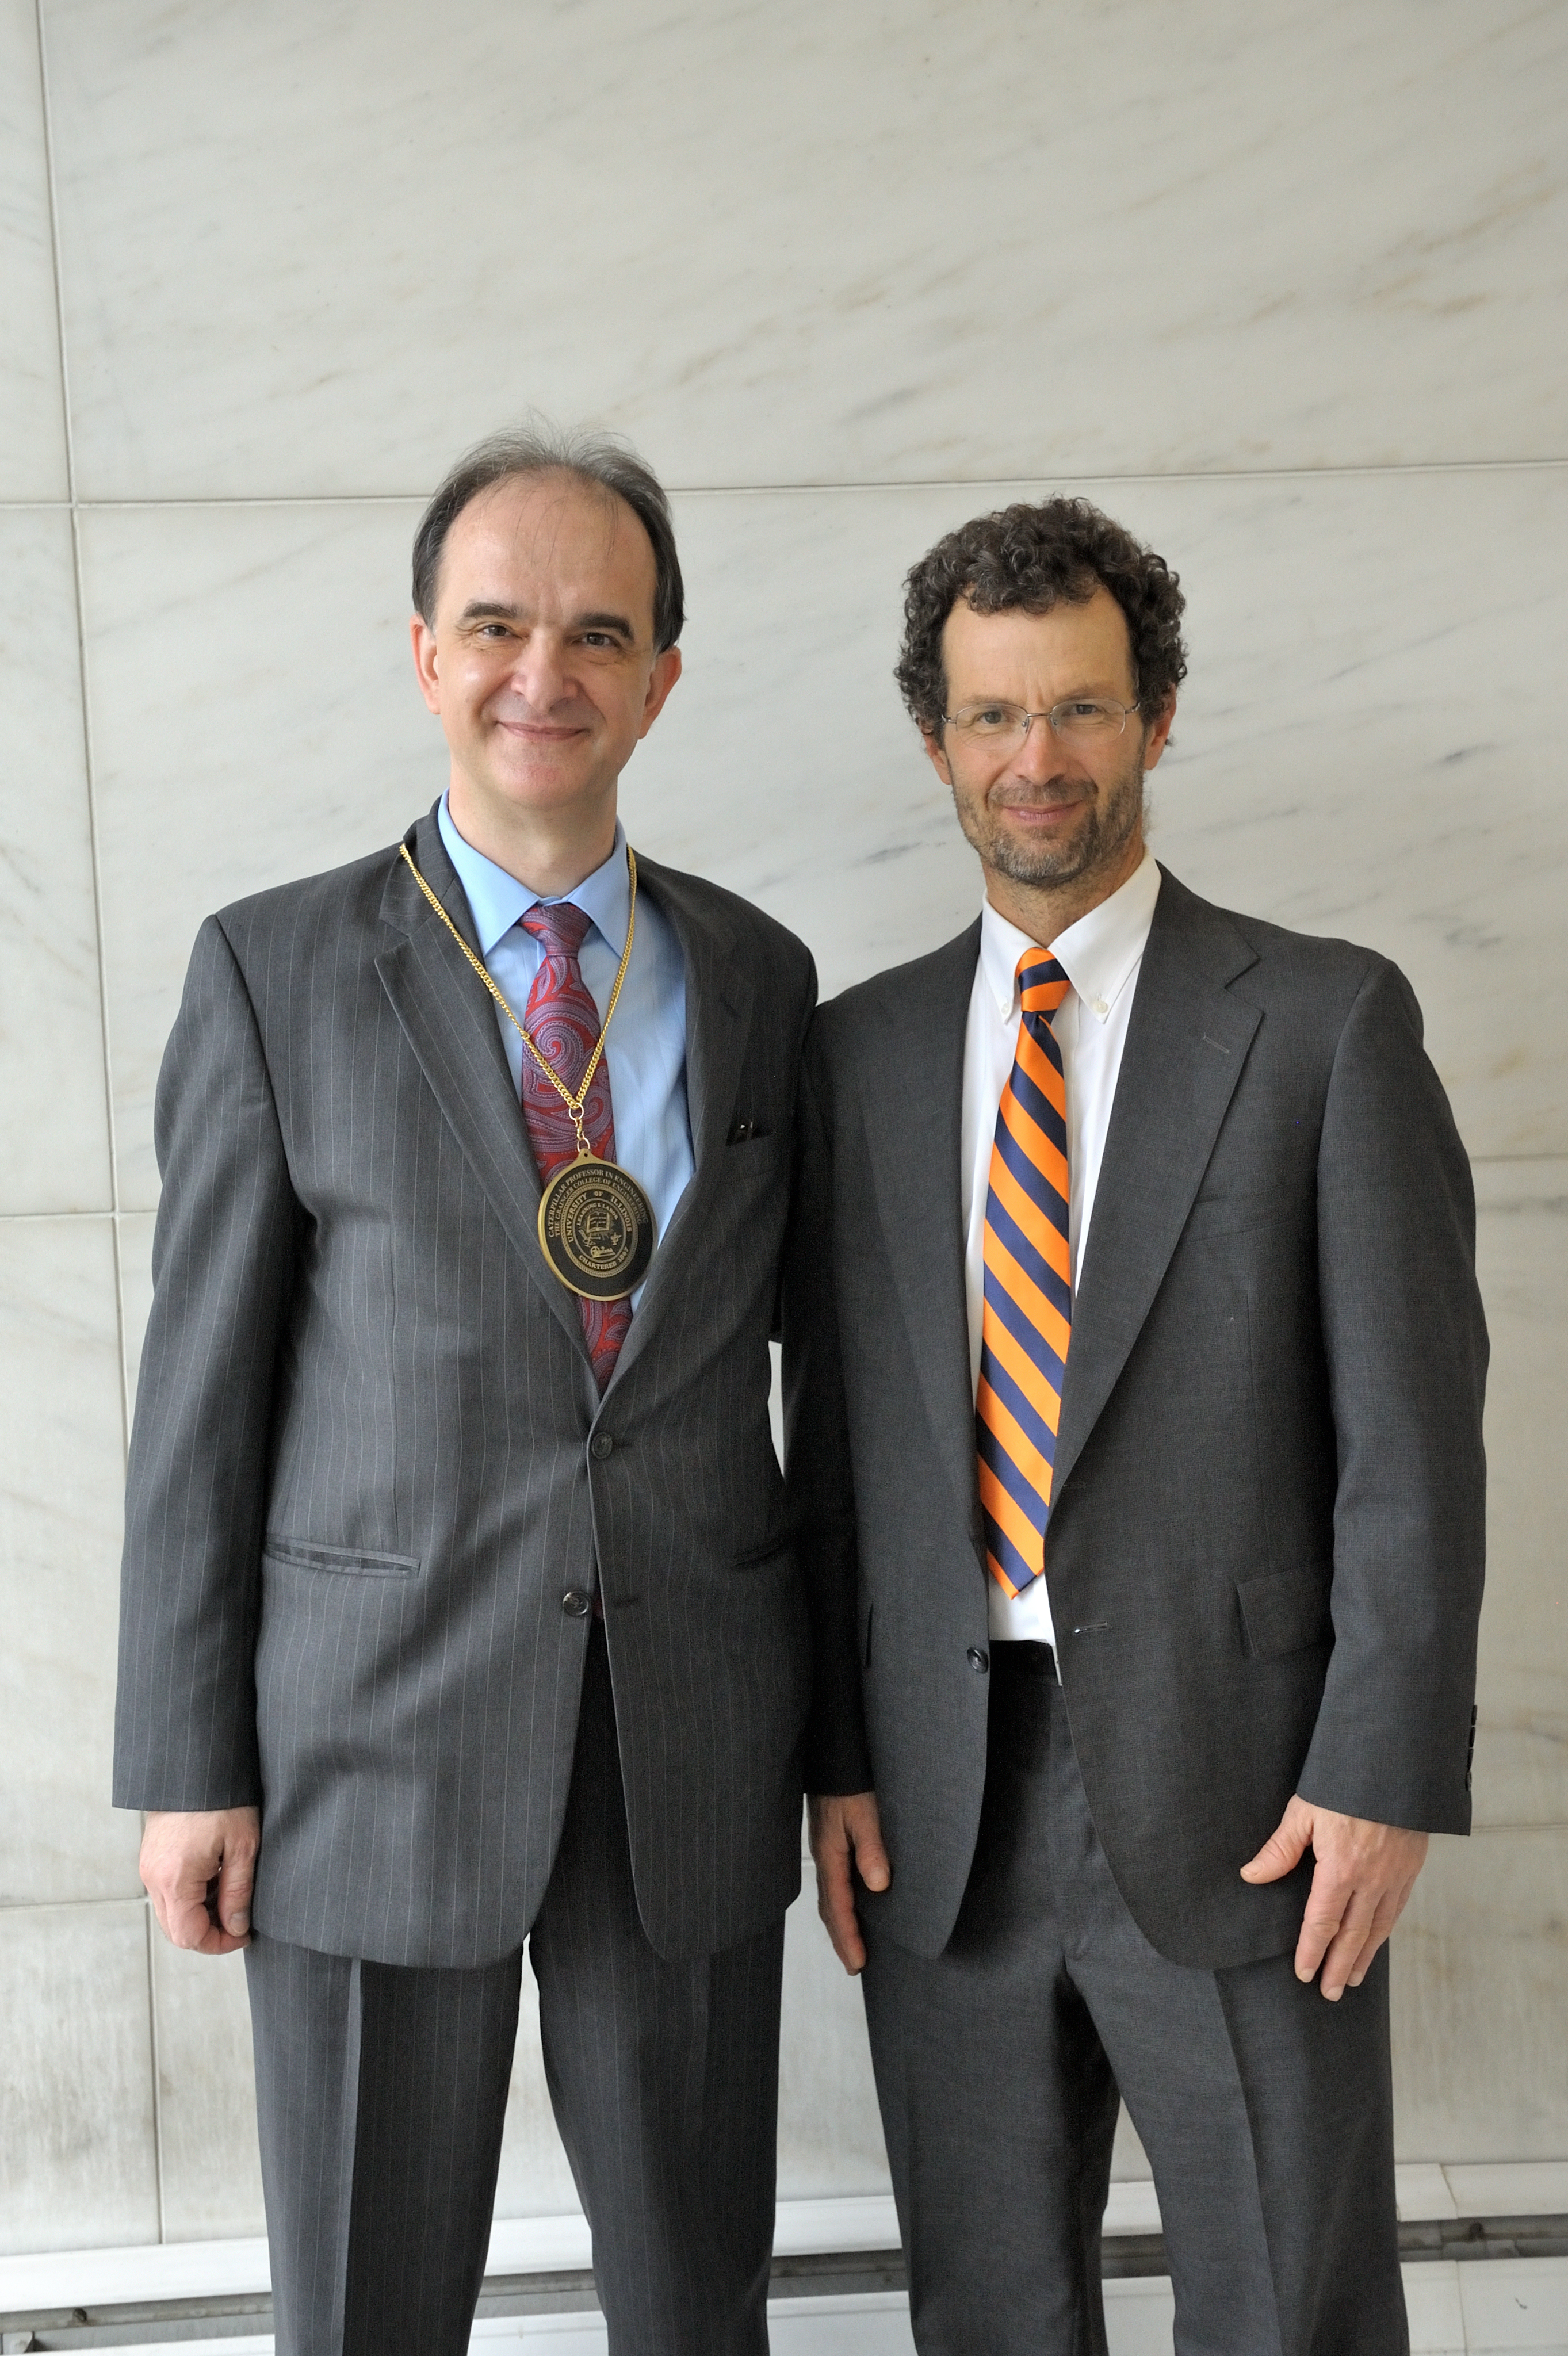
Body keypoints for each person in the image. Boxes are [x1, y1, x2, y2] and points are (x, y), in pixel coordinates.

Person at [114, 426, 817, 2356]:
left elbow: (825, 1400)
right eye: (496, 625)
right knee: (364, 2308)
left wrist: (840, 1740)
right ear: (422, 654)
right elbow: (199, 1400)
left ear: (663, 680)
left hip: (687, 1744)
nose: (546, 674)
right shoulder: (271, 970)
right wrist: (189, 1761)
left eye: (600, 634)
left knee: (698, 2304)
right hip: (368, 1748)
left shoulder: (761, 981)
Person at [789, 496, 1487, 2354]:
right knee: (991, 2314)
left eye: (1084, 709)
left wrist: (1387, 1763)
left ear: (1158, 718)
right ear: (937, 736)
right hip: (944, 1810)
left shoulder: (1326, 1025)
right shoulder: (853, 1057)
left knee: (1290, 2306)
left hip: (1259, 1801)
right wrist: (840, 1752)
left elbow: (1415, 1433)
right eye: (997, 716)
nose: (1040, 760)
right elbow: (844, 1450)